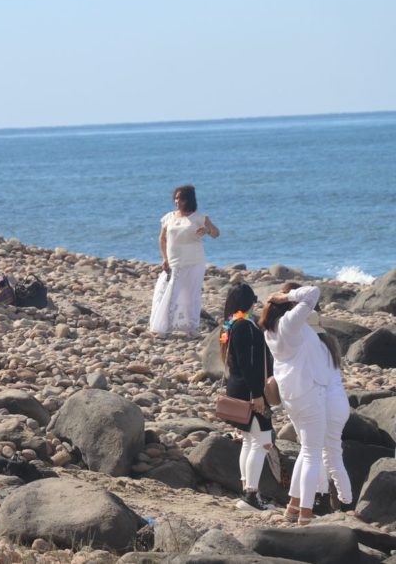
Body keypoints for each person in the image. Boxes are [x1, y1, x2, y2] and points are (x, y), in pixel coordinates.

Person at [261, 284, 353, 525]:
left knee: (306, 450)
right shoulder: (290, 325)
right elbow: (312, 293)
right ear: (286, 307)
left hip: (292, 395)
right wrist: (286, 295)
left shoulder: (270, 331)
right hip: (309, 393)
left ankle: (293, 507)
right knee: (313, 455)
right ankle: (305, 513)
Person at [218, 283, 275, 512]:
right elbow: (249, 364)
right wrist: (257, 395)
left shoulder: (230, 325)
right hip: (249, 391)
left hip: (237, 387)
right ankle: (251, 496)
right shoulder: (245, 326)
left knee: (250, 441)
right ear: (250, 302)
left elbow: (239, 362)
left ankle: (248, 491)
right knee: (262, 442)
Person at [148, 184, 219, 335]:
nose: (176, 201)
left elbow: (216, 233)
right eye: (175, 198)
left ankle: (190, 327)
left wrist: (206, 230)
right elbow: (162, 239)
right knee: (167, 291)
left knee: (190, 294)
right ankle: (164, 327)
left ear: (188, 200)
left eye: (180, 198)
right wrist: (164, 258)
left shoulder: (200, 217)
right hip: (173, 261)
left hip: (194, 261)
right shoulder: (169, 217)